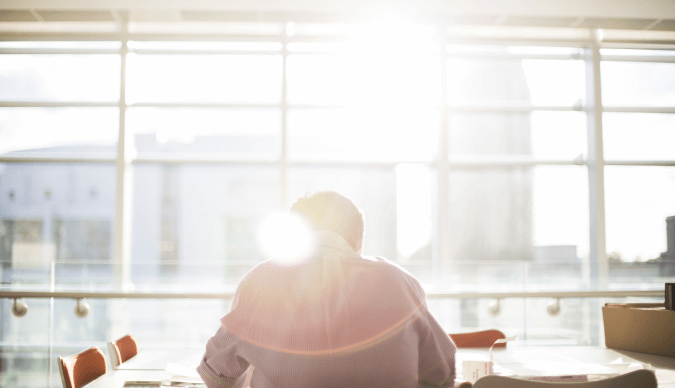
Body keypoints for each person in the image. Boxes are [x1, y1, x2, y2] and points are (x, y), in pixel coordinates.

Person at [198, 191, 456, 388]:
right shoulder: (401, 283)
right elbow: (442, 373)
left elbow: (215, 372)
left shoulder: (261, 282)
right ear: (359, 240)